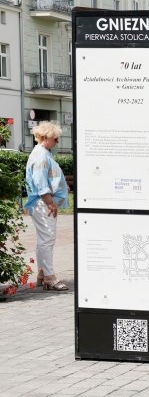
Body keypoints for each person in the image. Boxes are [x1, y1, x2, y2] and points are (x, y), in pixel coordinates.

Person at [24, 121, 69, 291]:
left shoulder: (42, 153)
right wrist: (50, 202)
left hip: (42, 203)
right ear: (45, 138)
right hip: (43, 204)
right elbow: (40, 181)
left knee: (44, 240)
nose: (57, 142)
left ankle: (43, 274)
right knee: (47, 240)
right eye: (55, 139)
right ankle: (50, 277)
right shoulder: (41, 156)